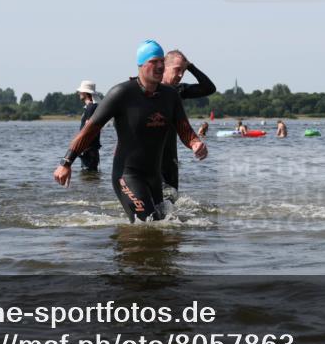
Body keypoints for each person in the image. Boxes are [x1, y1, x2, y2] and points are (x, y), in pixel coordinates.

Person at [53, 40, 208, 223]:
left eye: (161, 61)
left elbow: (184, 128)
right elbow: (90, 130)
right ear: (141, 65)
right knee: (149, 222)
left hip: (154, 177)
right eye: (154, 61)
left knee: (163, 227)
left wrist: (195, 143)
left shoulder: (170, 95)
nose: (159, 66)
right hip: (127, 175)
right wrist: (66, 162)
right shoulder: (122, 94)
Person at [160, 50, 216, 197]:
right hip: (148, 157)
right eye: (177, 70)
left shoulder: (179, 90)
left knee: (170, 204)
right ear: (164, 66)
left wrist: (190, 67)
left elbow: (209, 88)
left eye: (183, 72)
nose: (180, 75)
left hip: (170, 158)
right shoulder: (146, 89)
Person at [76, 80, 101, 172]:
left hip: (89, 149)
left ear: (86, 93)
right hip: (89, 149)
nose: (78, 93)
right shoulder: (91, 107)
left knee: (87, 176)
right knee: (90, 178)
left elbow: (88, 128)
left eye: (80, 91)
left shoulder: (91, 108)